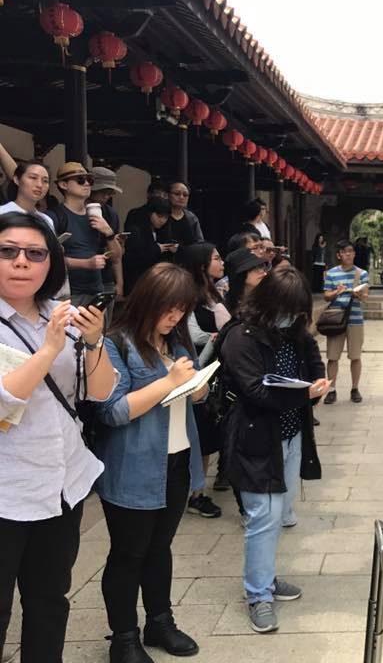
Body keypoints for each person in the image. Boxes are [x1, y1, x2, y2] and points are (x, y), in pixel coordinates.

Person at [0, 212, 116, 663]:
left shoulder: (62, 315)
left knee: (49, 600)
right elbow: (4, 401)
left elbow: (100, 392)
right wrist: (49, 349)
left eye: (35, 253)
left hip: (63, 484)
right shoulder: (49, 331)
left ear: (51, 263)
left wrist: (95, 341)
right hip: (7, 492)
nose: (21, 262)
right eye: (8, 251)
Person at [95, 263, 207, 663]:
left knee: (160, 548)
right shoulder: (116, 344)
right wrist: (169, 382)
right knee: (129, 554)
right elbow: (112, 412)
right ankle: (123, 638)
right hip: (133, 466)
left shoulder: (176, 342)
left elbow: (192, 395)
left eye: (182, 310)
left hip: (177, 460)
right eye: (168, 308)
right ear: (147, 300)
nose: (175, 317)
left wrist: (197, 387)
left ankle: (160, 621)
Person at [219, 267, 327, 634]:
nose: (293, 317)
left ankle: (265, 576)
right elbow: (256, 392)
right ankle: (258, 595)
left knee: (278, 514)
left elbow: (312, 359)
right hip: (256, 439)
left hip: (291, 435)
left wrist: (318, 382)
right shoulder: (241, 336)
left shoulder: (293, 331)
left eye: (298, 311)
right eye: (287, 309)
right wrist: (303, 394)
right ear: (268, 302)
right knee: (262, 517)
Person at [183, 243, 230, 519]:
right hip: (196, 373)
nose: (221, 262)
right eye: (216, 258)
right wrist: (217, 338)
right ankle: (194, 494)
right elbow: (193, 336)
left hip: (212, 372)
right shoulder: (188, 295)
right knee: (198, 435)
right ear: (201, 264)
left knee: (205, 434)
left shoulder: (213, 292)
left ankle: (197, 491)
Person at [53, 163, 121, 308]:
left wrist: (108, 232)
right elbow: (48, 258)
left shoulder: (97, 216)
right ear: (64, 184)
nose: (87, 184)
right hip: (69, 294)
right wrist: (86, 263)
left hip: (97, 291)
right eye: (80, 180)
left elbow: (116, 257)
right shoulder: (55, 216)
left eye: (89, 180)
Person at [323, 240, 369, 404]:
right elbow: (326, 295)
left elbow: (365, 296)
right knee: (332, 356)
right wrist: (337, 292)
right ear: (339, 255)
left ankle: (355, 388)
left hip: (355, 319)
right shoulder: (331, 274)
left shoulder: (362, 273)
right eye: (344, 251)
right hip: (336, 319)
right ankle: (331, 389)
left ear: (354, 254)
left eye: (350, 251)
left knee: (355, 356)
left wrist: (358, 294)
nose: (348, 254)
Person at [89, 167, 125, 320]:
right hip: (80, 281)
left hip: (106, 278)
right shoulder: (76, 211)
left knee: (104, 326)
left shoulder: (111, 213)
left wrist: (120, 283)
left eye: (110, 193)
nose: (106, 196)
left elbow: (117, 256)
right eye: (103, 191)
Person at [122, 197, 175, 296]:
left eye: (166, 217)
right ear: (150, 213)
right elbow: (132, 260)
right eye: (159, 216)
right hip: (138, 281)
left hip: (157, 280)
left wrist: (172, 249)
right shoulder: (136, 230)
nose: (162, 220)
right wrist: (157, 249)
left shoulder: (162, 231)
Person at [0, 160, 54, 230]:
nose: (39, 185)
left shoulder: (47, 220)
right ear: (17, 180)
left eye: (45, 181)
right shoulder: (2, 212)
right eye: (33, 177)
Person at [224, 247, 270, 316]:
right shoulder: (225, 308)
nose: (263, 272)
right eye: (255, 268)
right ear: (241, 275)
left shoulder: (268, 299)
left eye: (261, 266)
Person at [166, 181, 204, 252]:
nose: (181, 197)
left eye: (185, 195)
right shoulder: (161, 215)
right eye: (177, 194)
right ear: (167, 195)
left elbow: (200, 242)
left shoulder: (191, 217)